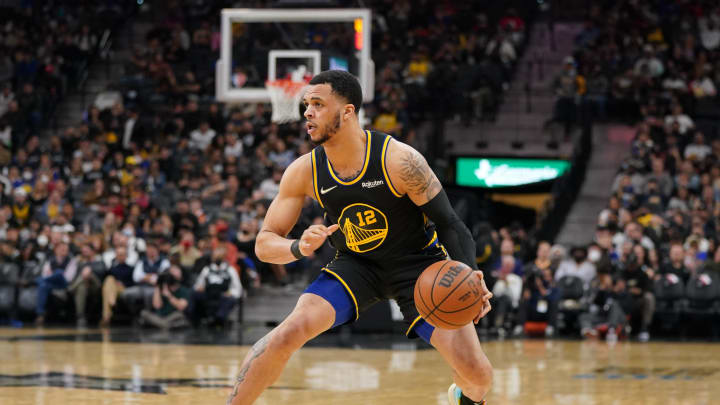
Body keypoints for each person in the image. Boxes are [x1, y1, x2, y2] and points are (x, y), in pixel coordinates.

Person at [227, 70, 493, 405]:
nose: (307, 112)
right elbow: (265, 244)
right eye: (307, 104)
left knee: (479, 375)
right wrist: (297, 246)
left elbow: (450, 224)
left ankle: (463, 398)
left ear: (348, 111)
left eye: (318, 104)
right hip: (356, 266)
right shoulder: (304, 171)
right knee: (287, 333)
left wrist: (471, 273)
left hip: (419, 267)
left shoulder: (400, 160)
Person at [192, 246, 242, 327]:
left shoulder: (230, 270)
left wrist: (231, 293)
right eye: (216, 257)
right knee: (195, 294)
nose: (218, 259)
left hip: (223, 296)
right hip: (209, 295)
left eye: (220, 257)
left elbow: (238, 288)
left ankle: (219, 318)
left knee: (230, 299)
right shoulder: (207, 269)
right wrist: (200, 288)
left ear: (224, 257)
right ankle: (196, 319)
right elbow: (198, 285)